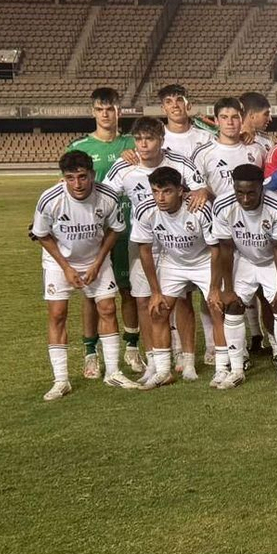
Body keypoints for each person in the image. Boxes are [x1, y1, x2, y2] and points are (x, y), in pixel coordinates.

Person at [106, 117, 210, 367]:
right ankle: (155, 358)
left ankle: (185, 357)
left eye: (149, 139)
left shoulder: (180, 162)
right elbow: (104, 196)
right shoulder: (124, 166)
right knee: (144, 299)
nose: (143, 145)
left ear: (161, 140)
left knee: (181, 298)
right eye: (139, 139)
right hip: (143, 243)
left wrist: (201, 192)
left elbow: (201, 189)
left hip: (177, 242)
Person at [31, 151, 128, 400]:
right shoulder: (49, 199)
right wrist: (65, 267)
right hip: (58, 262)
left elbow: (115, 230)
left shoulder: (107, 196)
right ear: (63, 178)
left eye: (83, 177)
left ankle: (113, 372)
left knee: (107, 309)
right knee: (57, 314)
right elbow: (42, 234)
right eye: (70, 178)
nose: (77, 184)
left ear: (92, 175)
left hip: (96, 258)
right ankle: (61, 380)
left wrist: (98, 262)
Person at [132, 167, 231, 388]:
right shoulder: (145, 210)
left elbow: (216, 250)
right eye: (156, 191)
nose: (160, 197)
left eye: (166, 191)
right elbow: (145, 251)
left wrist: (215, 288)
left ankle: (223, 368)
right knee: (158, 311)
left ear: (180, 190)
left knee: (217, 308)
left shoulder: (199, 209)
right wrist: (155, 292)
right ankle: (164, 371)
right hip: (173, 262)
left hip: (204, 260)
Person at [67, 86, 142, 375]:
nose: (105, 114)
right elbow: (69, 189)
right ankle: (90, 353)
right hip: (93, 233)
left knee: (130, 291)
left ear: (119, 111)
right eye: (100, 109)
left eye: (110, 109)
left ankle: (132, 349)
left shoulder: (133, 144)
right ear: (93, 112)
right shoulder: (80, 148)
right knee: (92, 294)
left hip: (128, 229)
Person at [208, 165, 277, 387]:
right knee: (233, 306)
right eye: (240, 192)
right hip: (243, 259)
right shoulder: (222, 205)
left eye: (251, 193)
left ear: (261, 188)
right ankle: (237, 369)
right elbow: (225, 249)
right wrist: (227, 289)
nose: (245, 198)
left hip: (271, 261)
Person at [192, 96, 270, 199]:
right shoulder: (202, 153)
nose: (230, 122)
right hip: (218, 213)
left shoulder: (257, 150)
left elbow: (267, 183)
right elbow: (198, 189)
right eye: (224, 117)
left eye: (235, 117)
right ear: (216, 120)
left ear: (242, 119)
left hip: (252, 212)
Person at [157, 83, 214, 158]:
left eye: (179, 100)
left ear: (188, 106)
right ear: (163, 109)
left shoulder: (206, 138)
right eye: (168, 102)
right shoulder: (156, 138)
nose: (175, 105)